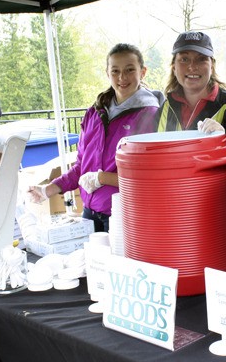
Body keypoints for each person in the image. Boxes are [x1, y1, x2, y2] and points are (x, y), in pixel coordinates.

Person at [28, 43, 163, 232]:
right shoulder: (95, 113)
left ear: (143, 72)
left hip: (125, 215)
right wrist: (47, 190)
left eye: (130, 70)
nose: (122, 77)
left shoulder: (152, 116)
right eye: (115, 71)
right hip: (90, 212)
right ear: (107, 73)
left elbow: (149, 177)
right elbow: (82, 166)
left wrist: (102, 178)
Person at [156, 31, 226, 269]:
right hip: (178, 220)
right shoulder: (165, 107)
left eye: (201, 59)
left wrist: (221, 144)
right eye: (184, 58)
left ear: (212, 65)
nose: (192, 66)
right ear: (173, 65)